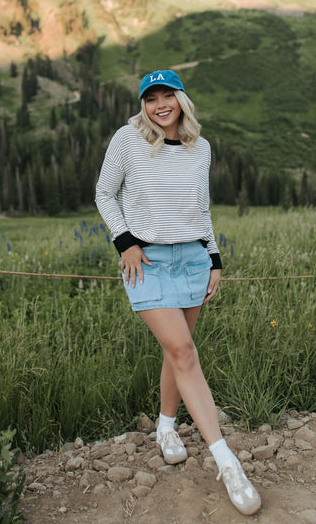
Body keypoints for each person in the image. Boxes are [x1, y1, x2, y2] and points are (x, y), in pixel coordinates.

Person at [95, 70, 261, 516]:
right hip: (146, 261)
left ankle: (167, 428)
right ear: (143, 105)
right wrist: (124, 242)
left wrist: (215, 256)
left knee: (179, 353)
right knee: (184, 351)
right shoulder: (127, 139)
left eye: (168, 95)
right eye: (151, 98)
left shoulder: (199, 148)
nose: (160, 104)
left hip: (193, 259)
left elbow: (200, 207)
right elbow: (104, 193)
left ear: (182, 100)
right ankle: (228, 464)